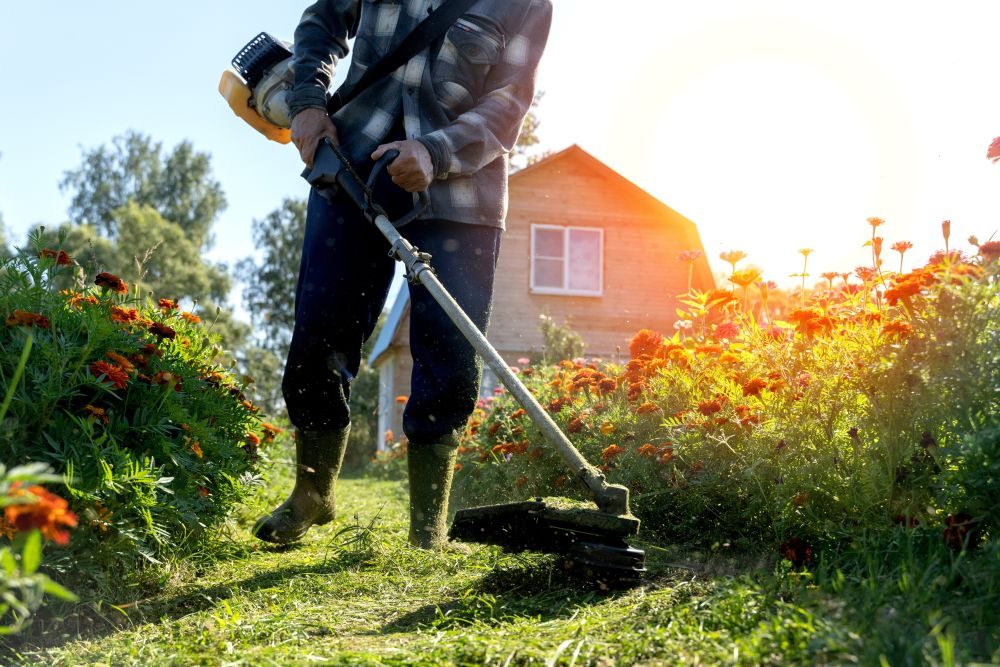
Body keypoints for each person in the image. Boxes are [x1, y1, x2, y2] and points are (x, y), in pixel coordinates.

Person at [254, 0, 553, 548]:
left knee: (448, 355)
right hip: (351, 165)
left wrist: (435, 152)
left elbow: (509, 103)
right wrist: (306, 103)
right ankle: (312, 494)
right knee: (321, 331)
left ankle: (426, 527)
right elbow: (321, 24)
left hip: (460, 191)